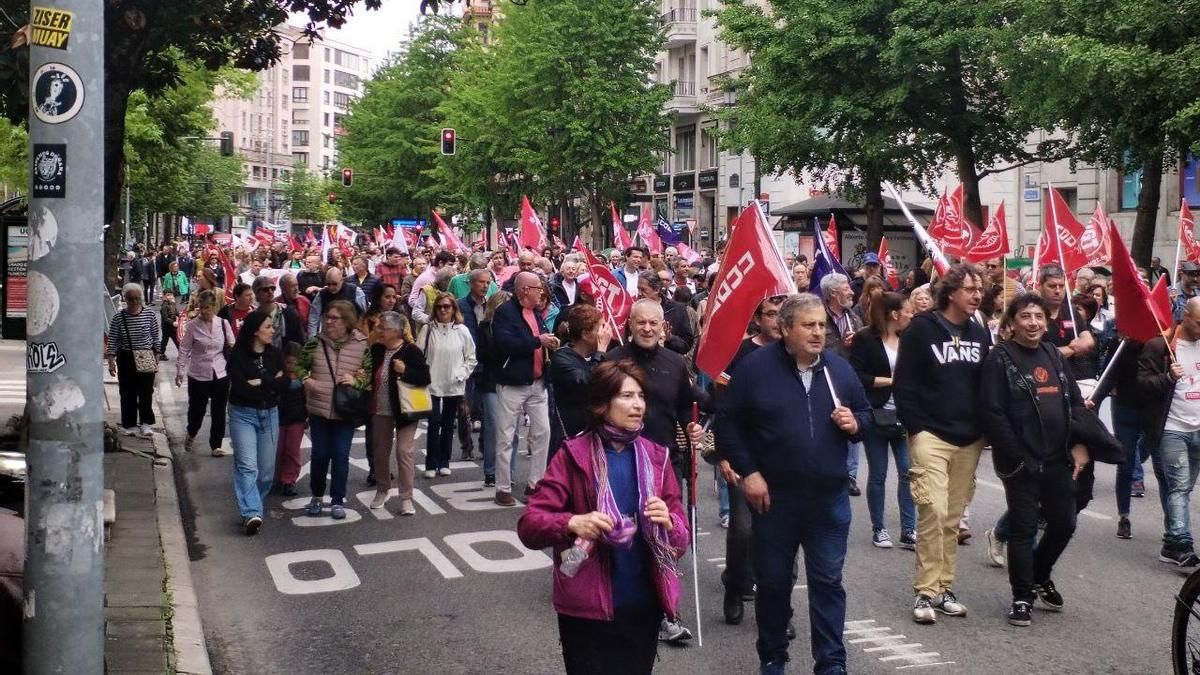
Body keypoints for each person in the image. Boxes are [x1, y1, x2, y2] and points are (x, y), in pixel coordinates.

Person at [717, 293, 870, 675]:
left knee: (828, 583)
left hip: (828, 500)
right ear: (785, 329)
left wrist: (857, 424)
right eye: (809, 325)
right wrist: (749, 472)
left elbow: (865, 412)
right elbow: (728, 424)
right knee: (772, 584)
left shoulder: (838, 369)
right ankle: (773, 657)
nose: (818, 332)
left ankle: (832, 664)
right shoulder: (755, 369)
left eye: (822, 325)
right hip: (775, 500)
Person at [517, 360, 691, 675]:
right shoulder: (573, 455)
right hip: (586, 609)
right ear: (601, 404)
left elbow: (680, 540)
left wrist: (670, 522)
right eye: (626, 396)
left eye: (641, 396)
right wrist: (571, 523)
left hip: (643, 603)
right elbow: (530, 524)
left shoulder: (656, 457)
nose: (637, 404)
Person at [980, 294, 1091, 626]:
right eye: (1025, 316)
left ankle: (1040, 574)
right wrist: (1016, 453)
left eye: (1039, 317)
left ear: (1047, 322)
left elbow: (1073, 404)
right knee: (1024, 528)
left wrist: (1079, 444)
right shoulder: (999, 358)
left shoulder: (1054, 356)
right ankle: (1022, 597)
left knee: (1064, 523)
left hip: (1058, 458)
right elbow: (992, 412)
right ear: (1011, 322)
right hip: (1020, 461)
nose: (1033, 323)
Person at [893, 263, 991, 625]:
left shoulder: (980, 334)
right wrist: (915, 428)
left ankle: (944, 588)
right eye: (970, 289)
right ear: (951, 292)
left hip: (970, 438)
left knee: (952, 517)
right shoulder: (922, 329)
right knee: (931, 509)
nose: (977, 295)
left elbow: (987, 384)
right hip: (930, 434)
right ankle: (925, 590)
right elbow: (905, 382)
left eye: (979, 289)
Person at [607, 298, 703, 644]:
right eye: (641, 323)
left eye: (654, 323)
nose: (647, 329)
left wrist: (693, 428)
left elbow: (684, 406)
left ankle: (668, 612)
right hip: (620, 461)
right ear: (630, 324)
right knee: (627, 535)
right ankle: (621, 602)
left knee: (665, 536)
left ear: (664, 327)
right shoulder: (613, 361)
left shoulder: (674, 362)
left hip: (664, 463)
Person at [714, 296, 784, 627]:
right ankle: (735, 582)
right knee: (743, 530)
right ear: (757, 319)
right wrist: (725, 456)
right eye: (770, 314)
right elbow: (724, 407)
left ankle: (779, 605)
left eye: (781, 315)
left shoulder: (795, 354)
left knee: (781, 534)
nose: (776, 320)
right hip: (746, 455)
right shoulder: (742, 354)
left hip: (783, 459)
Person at [849, 291, 917, 550]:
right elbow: (856, 375)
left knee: (907, 473)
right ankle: (879, 529)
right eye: (907, 310)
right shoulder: (866, 338)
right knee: (878, 474)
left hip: (904, 415)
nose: (911, 315)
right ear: (894, 314)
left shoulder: (910, 338)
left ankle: (909, 529)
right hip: (876, 414)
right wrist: (889, 381)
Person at [296, 299, 371, 520]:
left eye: (334, 318)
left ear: (347, 321)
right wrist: (306, 379)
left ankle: (338, 499)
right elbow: (299, 365)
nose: (329, 322)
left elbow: (369, 377)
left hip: (345, 410)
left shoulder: (361, 344)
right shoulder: (314, 343)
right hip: (319, 409)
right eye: (327, 317)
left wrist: (356, 381)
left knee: (340, 455)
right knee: (319, 454)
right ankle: (317, 496)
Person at [1140, 296, 1200, 567]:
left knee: (1185, 487)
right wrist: (1167, 377)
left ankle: (1169, 543)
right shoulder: (1160, 345)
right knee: (1178, 485)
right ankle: (1181, 543)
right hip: (1172, 428)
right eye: (1199, 322)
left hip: (1198, 426)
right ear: (1184, 316)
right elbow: (1141, 385)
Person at [491, 272, 559, 505]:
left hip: (538, 383)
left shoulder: (536, 313)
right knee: (506, 435)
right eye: (537, 288)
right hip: (513, 383)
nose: (541, 292)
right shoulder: (505, 313)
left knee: (543, 432)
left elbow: (539, 338)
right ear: (524, 291)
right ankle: (502, 488)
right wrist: (538, 341)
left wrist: (549, 341)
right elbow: (505, 344)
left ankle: (535, 483)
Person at [226, 311, 285, 535]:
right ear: (255, 330)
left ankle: (253, 505)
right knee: (247, 465)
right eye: (268, 326)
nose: (273, 330)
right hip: (243, 414)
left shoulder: (276, 354)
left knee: (267, 472)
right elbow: (241, 389)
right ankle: (251, 512)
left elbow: (284, 383)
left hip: (269, 413)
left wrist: (261, 381)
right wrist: (270, 382)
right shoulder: (238, 355)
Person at [368, 312, 432, 513]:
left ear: (395, 331)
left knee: (404, 451)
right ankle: (382, 488)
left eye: (382, 328)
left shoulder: (411, 351)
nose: (378, 331)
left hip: (405, 409)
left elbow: (424, 377)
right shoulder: (377, 349)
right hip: (380, 408)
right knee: (380, 452)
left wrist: (405, 371)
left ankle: (406, 497)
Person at [417, 292, 477, 478]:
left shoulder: (462, 331)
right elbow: (419, 355)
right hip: (431, 384)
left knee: (448, 423)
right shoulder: (427, 329)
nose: (443, 310)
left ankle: (444, 461)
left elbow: (471, 358)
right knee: (434, 422)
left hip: (454, 384)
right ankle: (430, 464)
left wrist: (461, 374)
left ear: (453, 309)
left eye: (447, 306)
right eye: (439, 306)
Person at [176, 290, 235, 457]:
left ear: (214, 307)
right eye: (201, 308)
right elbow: (185, 349)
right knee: (197, 411)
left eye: (207, 308)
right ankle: (191, 432)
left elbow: (232, 344)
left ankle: (216, 444)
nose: (203, 311)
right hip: (198, 375)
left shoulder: (223, 324)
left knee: (218, 411)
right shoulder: (193, 325)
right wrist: (180, 371)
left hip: (220, 373)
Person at [550, 304, 613, 447]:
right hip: (571, 434)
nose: (605, 332)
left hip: (596, 432)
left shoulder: (596, 356)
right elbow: (586, 382)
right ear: (585, 334)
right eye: (600, 328)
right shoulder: (562, 357)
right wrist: (601, 352)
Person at [476, 291, 520, 487]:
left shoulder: (518, 326)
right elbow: (483, 354)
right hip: (492, 381)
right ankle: (491, 470)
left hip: (513, 381)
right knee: (494, 426)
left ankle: (509, 470)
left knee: (515, 430)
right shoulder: (485, 327)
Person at [106, 283, 162, 438]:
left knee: (146, 391)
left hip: (146, 355)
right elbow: (113, 340)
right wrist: (111, 360)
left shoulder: (149, 314)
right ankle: (129, 424)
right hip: (126, 357)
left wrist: (156, 356)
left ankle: (146, 422)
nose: (134, 302)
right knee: (127, 392)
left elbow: (155, 337)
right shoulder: (119, 317)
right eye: (131, 299)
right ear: (125, 299)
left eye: (137, 298)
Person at [276, 342, 307, 497]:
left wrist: (307, 415)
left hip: (297, 419)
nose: (291, 366)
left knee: (292, 450)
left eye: (294, 363)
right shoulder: (279, 376)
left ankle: (289, 480)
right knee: (279, 450)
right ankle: (279, 477)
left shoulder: (303, 379)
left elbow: (308, 398)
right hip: (279, 418)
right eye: (288, 362)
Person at [636, 274, 694, 355]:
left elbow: (686, 345)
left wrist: (670, 338)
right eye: (638, 289)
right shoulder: (634, 309)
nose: (639, 293)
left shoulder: (677, 310)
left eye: (643, 290)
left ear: (656, 290)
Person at [308, 267, 368, 336]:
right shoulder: (321, 295)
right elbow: (314, 317)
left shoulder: (355, 291)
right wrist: (312, 338)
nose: (331, 287)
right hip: (329, 335)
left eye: (334, 284)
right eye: (328, 284)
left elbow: (365, 314)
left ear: (342, 280)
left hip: (352, 334)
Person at [253, 275, 303, 349]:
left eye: (272, 288)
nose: (270, 292)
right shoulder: (253, 318)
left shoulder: (289, 313)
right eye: (265, 289)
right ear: (257, 293)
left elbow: (299, 340)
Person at [159, 290, 181, 359]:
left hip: (172, 326)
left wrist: (180, 315)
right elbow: (165, 318)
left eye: (171, 295)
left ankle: (182, 353)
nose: (170, 296)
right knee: (165, 341)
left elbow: (176, 312)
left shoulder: (172, 304)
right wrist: (172, 322)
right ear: (164, 296)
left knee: (176, 340)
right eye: (168, 295)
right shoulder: (164, 306)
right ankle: (161, 353)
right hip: (167, 327)